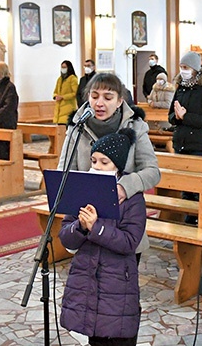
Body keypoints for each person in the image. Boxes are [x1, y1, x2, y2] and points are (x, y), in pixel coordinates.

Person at [57, 72, 160, 264]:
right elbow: (64, 171)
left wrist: (124, 186)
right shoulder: (77, 127)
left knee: (119, 287)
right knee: (86, 285)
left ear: (120, 101)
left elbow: (152, 171)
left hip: (122, 221)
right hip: (86, 219)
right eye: (94, 96)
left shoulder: (136, 126)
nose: (99, 103)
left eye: (108, 97)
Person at [59, 128, 145, 346]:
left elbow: (129, 242)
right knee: (94, 336)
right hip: (86, 278)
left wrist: (95, 228)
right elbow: (66, 236)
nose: (96, 167)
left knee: (116, 336)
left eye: (104, 162)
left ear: (117, 165)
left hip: (116, 283)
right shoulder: (84, 189)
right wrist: (81, 226)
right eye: (94, 160)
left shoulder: (132, 198)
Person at [168, 51, 202, 224]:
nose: (183, 71)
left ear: (195, 69)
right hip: (181, 142)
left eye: (186, 67)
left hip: (198, 144)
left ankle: (198, 218)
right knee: (184, 185)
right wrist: (176, 117)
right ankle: (188, 217)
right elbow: (171, 116)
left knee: (197, 186)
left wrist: (185, 116)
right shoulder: (180, 89)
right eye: (181, 67)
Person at [52, 60, 79, 125]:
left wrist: (63, 97)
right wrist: (55, 96)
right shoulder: (59, 79)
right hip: (59, 108)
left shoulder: (72, 78)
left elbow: (75, 93)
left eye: (64, 67)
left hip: (68, 107)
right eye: (62, 67)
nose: (63, 69)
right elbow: (55, 91)